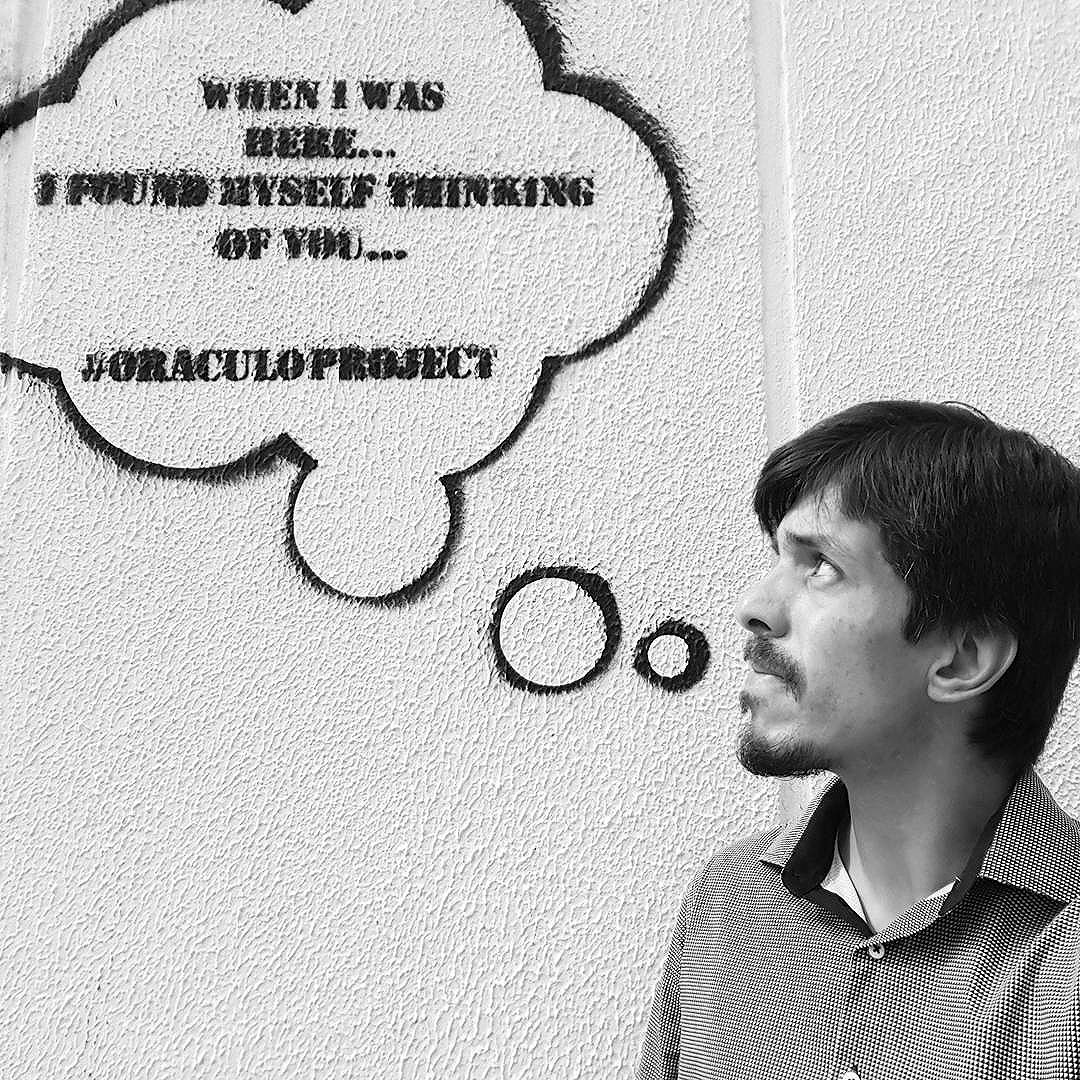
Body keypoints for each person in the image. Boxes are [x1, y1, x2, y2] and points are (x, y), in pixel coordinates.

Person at [636, 400, 1080, 1080]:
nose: (754, 608)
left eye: (820, 566)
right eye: (780, 557)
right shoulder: (727, 909)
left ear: (961, 660)